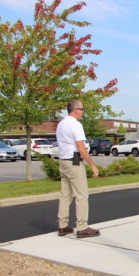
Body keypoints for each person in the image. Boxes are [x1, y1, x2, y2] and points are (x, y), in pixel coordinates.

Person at [55, 100, 100, 238]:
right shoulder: (75, 125)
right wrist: (93, 165)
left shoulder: (61, 124)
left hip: (63, 161)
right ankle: (82, 227)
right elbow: (81, 147)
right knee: (81, 195)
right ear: (76, 110)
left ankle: (63, 226)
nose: (83, 112)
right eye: (82, 109)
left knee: (65, 195)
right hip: (74, 162)